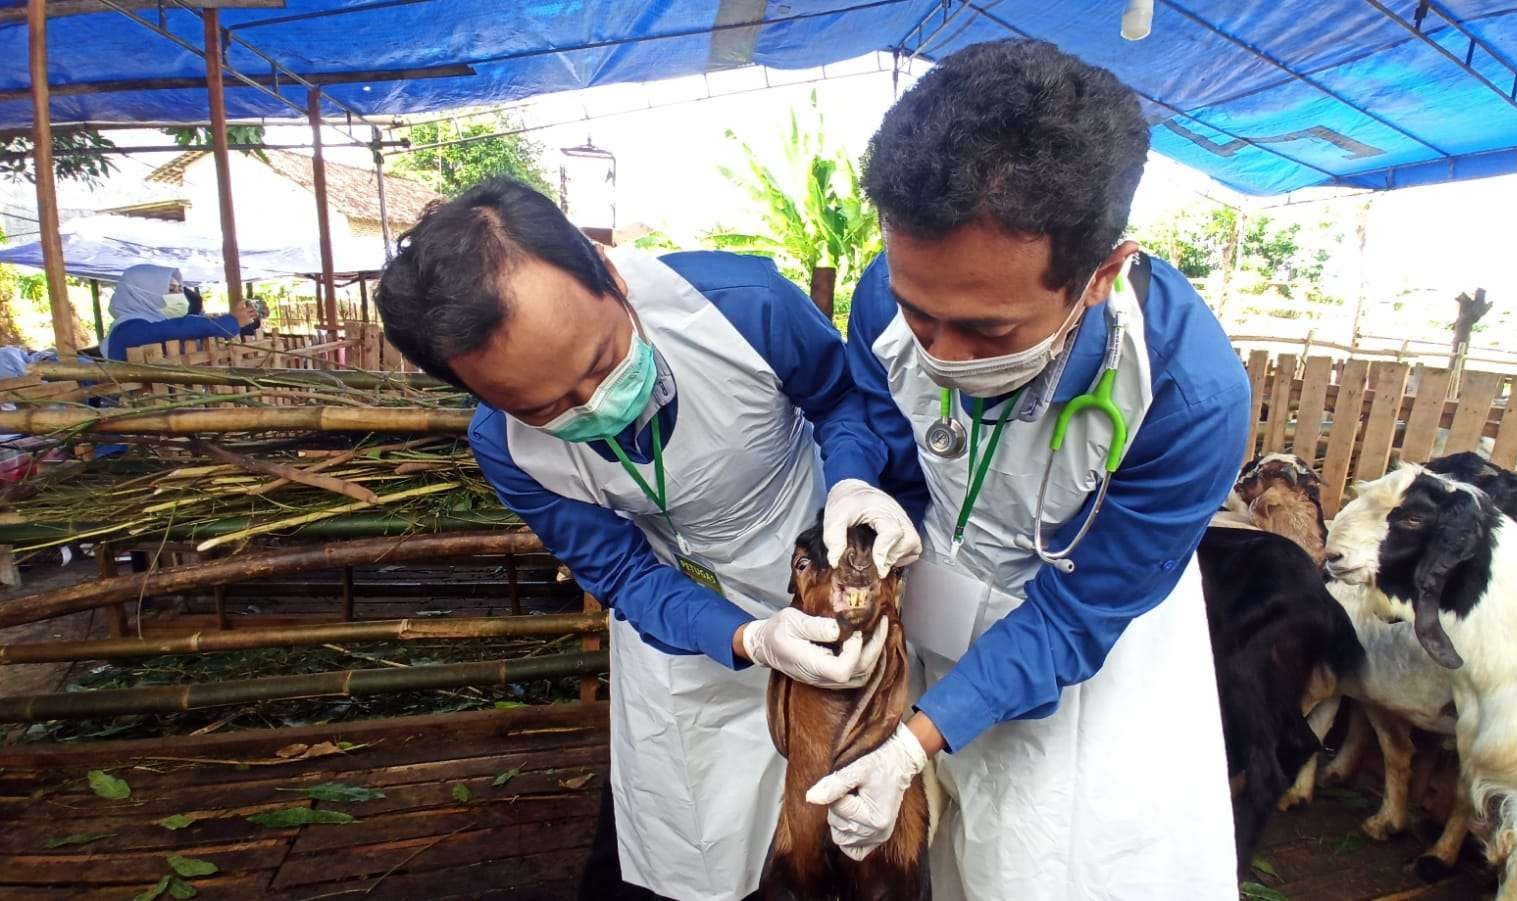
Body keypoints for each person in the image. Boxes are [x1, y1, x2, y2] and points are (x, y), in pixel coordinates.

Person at [372, 177, 921, 901]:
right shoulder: (507, 448)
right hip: (685, 625)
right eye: (547, 405)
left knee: (851, 839)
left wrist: (852, 481)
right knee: (694, 846)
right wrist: (748, 639)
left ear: (610, 274)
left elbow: (840, 397)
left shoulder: (738, 306)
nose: (592, 403)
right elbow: (625, 574)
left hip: (819, 582)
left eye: (601, 360)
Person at [808, 40, 1251, 899]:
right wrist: (857, 479)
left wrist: (913, 744)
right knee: (950, 860)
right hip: (941, 621)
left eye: (989, 332)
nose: (938, 352)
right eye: (917, 312)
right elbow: (870, 404)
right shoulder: (886, 292)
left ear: (1100, 275)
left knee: (1052, 861)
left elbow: (1077, 616)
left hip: (1085, 654)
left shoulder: (1187, 399)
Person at [102, 265, 260, 361]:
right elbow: (177, 329)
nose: (178, 296)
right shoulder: (127, 329)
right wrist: (229, 322)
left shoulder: (159, 321)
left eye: (179, 290)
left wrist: (244, 324)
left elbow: (200, 335)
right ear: (143, 294)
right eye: (171, 290)